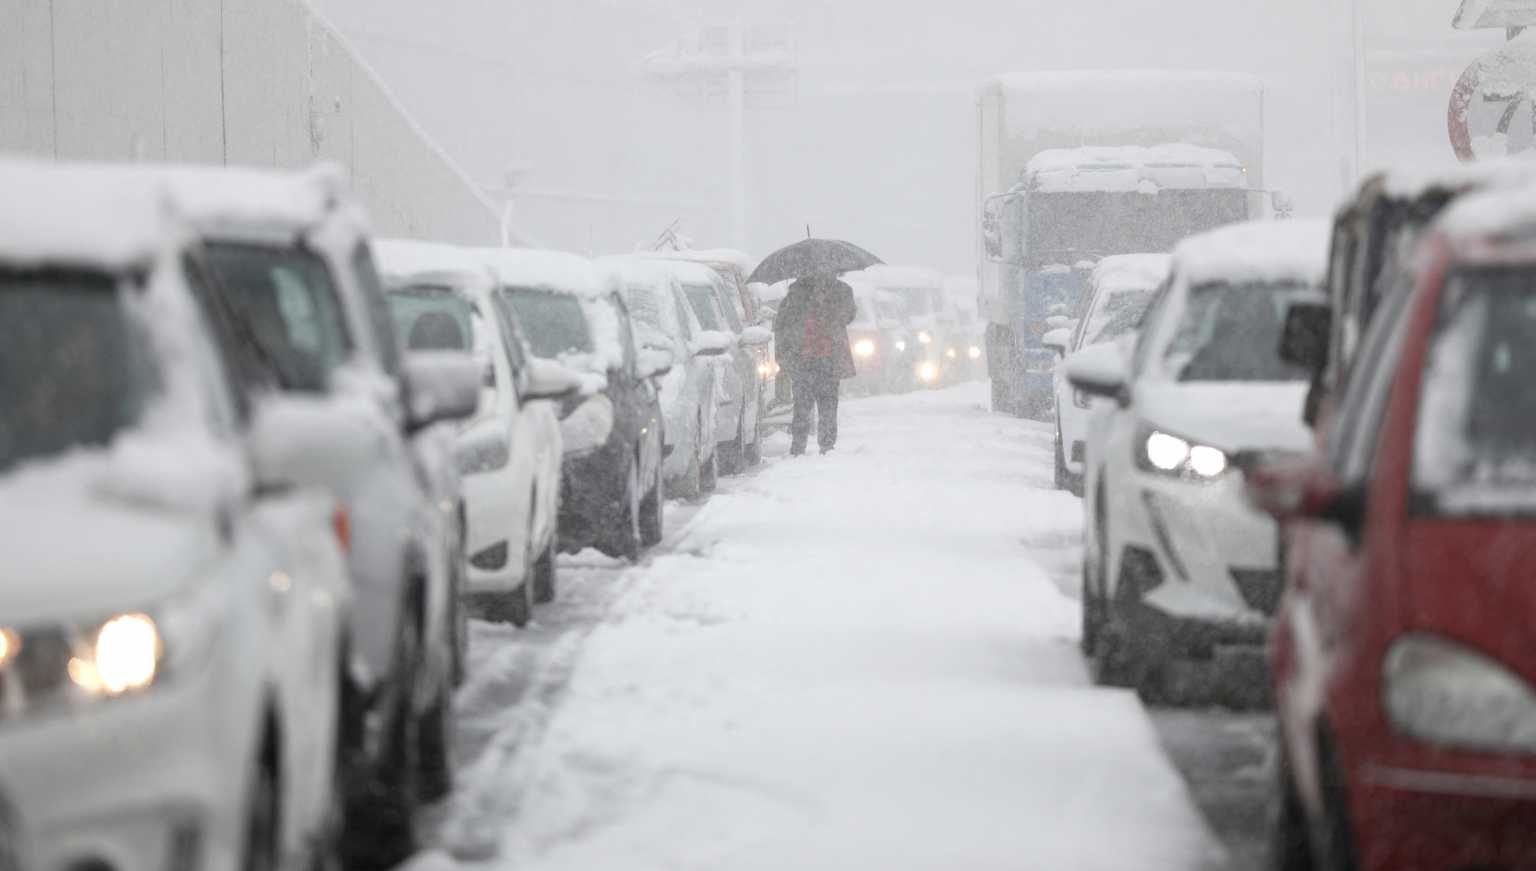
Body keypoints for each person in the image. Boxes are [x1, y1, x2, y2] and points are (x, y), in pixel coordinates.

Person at [774, 271, 857, 455]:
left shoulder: (840, 292)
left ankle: (825, 445)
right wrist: (783, 357)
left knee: (826, 405)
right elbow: (781, 326)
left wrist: (828, 305)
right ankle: (799, 446)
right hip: (804, 358)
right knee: (803, 406)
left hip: (827, 358)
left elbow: (848, 315)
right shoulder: (795, 295)